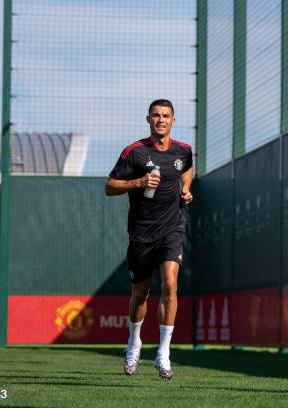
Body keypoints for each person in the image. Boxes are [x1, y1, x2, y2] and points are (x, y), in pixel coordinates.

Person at [105, 99, 193, 379]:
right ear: (148, 119)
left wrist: (186, 188)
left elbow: (187, 168)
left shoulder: (184, 151)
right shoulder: (134, 152)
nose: (161, 120)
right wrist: (139, 183)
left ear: (173, 120)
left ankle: (164, 354)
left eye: (166, 116)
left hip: (172, 228)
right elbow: (110, 186)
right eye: (156, 115)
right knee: (140, 293)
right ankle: (134, 343)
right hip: (142, 234)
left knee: (170, 284)